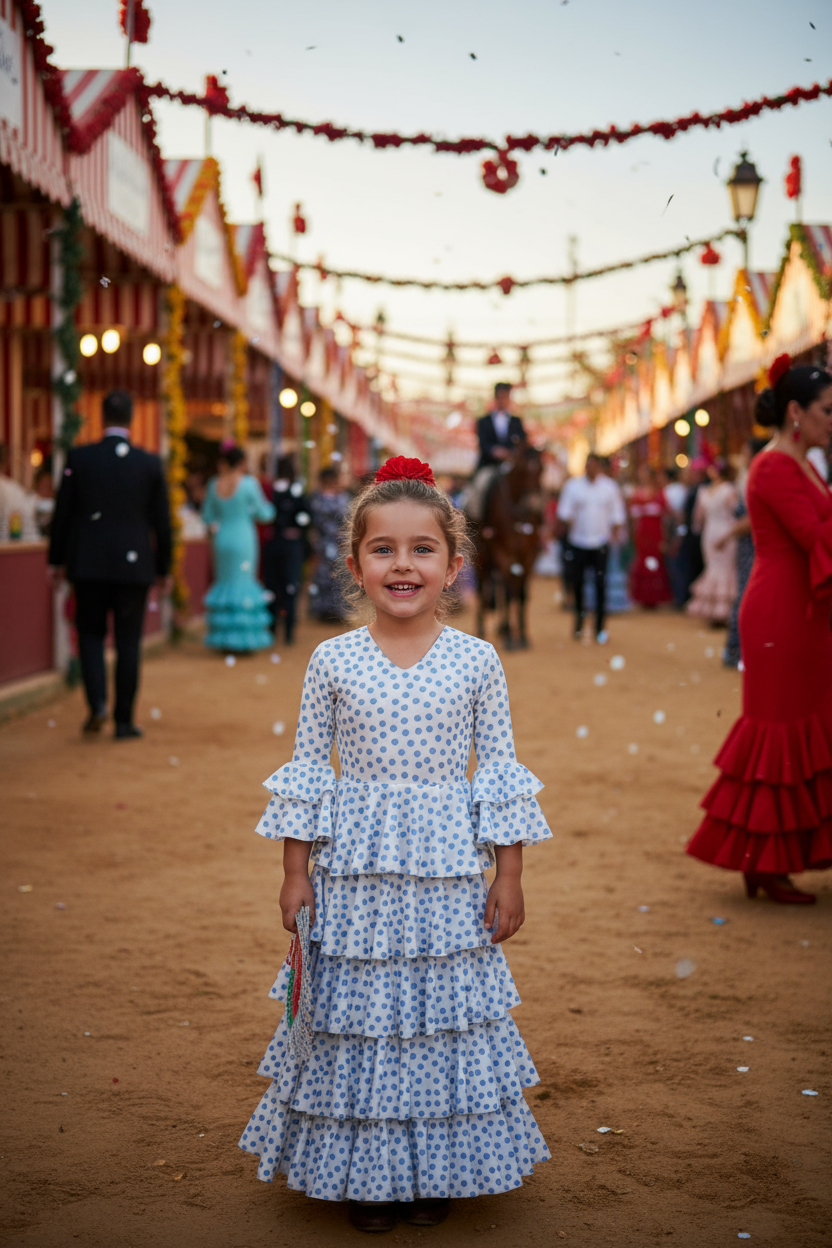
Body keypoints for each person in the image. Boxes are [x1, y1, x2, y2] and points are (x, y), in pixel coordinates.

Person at [238, 455, 552, 1230]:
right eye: (383, 549)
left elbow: (500, 773)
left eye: (422, 550)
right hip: (356, 877)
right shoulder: (331, 661)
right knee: (364, 1016)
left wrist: (507, 875)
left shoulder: (479, 661)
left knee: (436, 1015)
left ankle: (433, 1167)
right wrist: (294, 874)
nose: (402, 564)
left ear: (453, 567)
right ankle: (370, 1176)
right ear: (354, 564)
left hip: (447, 877)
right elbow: (310, 771)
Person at [687, 357, 832, 904]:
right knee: (779, 732)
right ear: (796, 412)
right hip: (781, 613)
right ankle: (762, 862)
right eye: (826, 411)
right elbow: (814, 533)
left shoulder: (802, 463)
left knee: (806, 725)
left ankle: (773, 857)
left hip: (802, 609)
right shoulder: (775, 467)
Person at [48, 389, 172, 738]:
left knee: (90, 635)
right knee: (129, 642)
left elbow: (63, 515)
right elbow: (162, 522)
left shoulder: (80, 458)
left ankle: (97, 704)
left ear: (101, 418)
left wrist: (56, 560)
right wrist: (164, 568)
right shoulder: (148, 463)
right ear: (130, 419)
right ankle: (123, 720)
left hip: (87, 563)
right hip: (134, 566)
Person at [202, 443, 275, 653]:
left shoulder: (214, 484)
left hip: (221, 538)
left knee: (224, 584)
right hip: (243, 537)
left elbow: (207, 516)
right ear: (242, 462)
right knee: (244, 583)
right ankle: (244, 639)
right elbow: (265, 514)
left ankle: (223, 638)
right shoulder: (249, 484)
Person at [556, 452, 626, 643]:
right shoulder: (573, 486)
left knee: (601, 585)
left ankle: (600, 627)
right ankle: (579, 621)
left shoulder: (609, 487)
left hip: (601, 543)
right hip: (578, 542)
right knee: (577, 583)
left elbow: (617, 514)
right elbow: (564, 512)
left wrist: (616, 534)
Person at [721, 437, 768, 668]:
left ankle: (739, 650)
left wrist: (727, 535)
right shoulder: (747, 479)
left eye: (745, 450)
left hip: (754, 546)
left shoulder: (755, 478)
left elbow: (751, 519)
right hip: (747, 547)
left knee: (746, 596)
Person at [261, 455, 311, 645]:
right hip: (289, 546)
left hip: (275, 544)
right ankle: (287, 632)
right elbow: (306, 518)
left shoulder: (273, 492)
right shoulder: (295, 492)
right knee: (289, 588)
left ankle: (275, 630)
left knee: (274, 588)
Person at [685, 461, 739, 624]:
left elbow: (697, 520)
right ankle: (721, 611)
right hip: (724, 531)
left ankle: (716, 611)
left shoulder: (706, 491)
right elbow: (736, 512)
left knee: (717, 568)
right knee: (723, 569)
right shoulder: (728, 490)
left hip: (712, 534)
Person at [465, 381, 527, 522]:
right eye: (501, 396)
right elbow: (483, 443)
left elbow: (522, 443)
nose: (503, 399)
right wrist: (494, 451)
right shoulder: (484, 421)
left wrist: (510, 454)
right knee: (479, 487)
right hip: (489, 465)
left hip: (510, 465)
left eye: (506, 396)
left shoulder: (516, 421)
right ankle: (478, 522)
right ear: (496, 397)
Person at [308, 464, 350, 621]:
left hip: (338, 541)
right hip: (322, 540)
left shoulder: (342, 497)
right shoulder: (317, 497)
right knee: (322, 575)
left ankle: (338, 610)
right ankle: (322, 609)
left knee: (339, 574)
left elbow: (348, 519)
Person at [628, 463, 671, 608]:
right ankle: (642, 596)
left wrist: (664, 538)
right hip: (642, 534)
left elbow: (665, 517)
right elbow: (633, 519)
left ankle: (654, 597)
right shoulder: (637, 493)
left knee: (654, 563)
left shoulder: (659, 494)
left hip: (655, 533)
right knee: (642, 561)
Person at [660, 466, 688, 608]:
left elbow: (671, 515)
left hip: (674, 530)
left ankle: (678, 597)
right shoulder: (683, 489)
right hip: (682, 530)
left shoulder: (668, 491)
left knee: (674, 564)